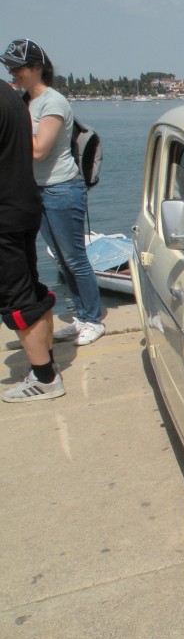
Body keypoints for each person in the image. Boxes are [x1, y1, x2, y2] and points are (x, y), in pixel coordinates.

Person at [1, 39, 104, 346]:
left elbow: (40, 150)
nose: (12, 72)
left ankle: (93, 319)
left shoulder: (53, 102)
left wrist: (9, 136)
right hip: (37, 190)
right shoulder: (23, 102)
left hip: (61, 189)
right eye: (8, 67)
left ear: (37, 68)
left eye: (17, 67)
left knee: (74, 258)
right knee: (61, 258)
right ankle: (80, 315)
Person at [0, 79, 64, 402]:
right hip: (24, 205)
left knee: (16, 300)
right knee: (31, 288)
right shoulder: (11, 96)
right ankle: (46, 363)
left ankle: (45, 378)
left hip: (5, 216)